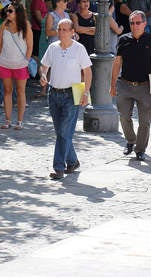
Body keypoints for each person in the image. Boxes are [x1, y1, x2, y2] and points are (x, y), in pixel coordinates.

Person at [39, 19, 92, 180]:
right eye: (59, 29)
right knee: (61, 132)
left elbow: (88, 72)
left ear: (72, 32)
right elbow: (44, 66)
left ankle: (59, 167)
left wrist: (85, 93)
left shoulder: (79, 49)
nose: (61, 32)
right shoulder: (52, 48)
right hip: (53, 93)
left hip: (73, 93)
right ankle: (73, 161)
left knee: (63, 132)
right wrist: (42, 75)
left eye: (64, 29)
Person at [110, 10, 151, 161]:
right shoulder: (123, 40)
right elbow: (117, 62)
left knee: (145, 121)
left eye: (138, 23)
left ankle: (140, 149)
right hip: (125, 84)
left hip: (145, 85)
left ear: (144, 24)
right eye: (132, 23)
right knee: (124, 117)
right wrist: (112, 85)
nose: (135, 26)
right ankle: (131, 141)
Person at [0, 2, 33, 129]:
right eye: (7, 11)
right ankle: (7, 120)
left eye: (10, 11)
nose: (7, 13)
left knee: (21, 91)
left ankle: (20, 121)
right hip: (5, 62)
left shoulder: (25, 25)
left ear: (18, 13)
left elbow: (30, 45)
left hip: (20, 63)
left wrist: (26, 61)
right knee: (7, 91)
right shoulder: (3, 25)